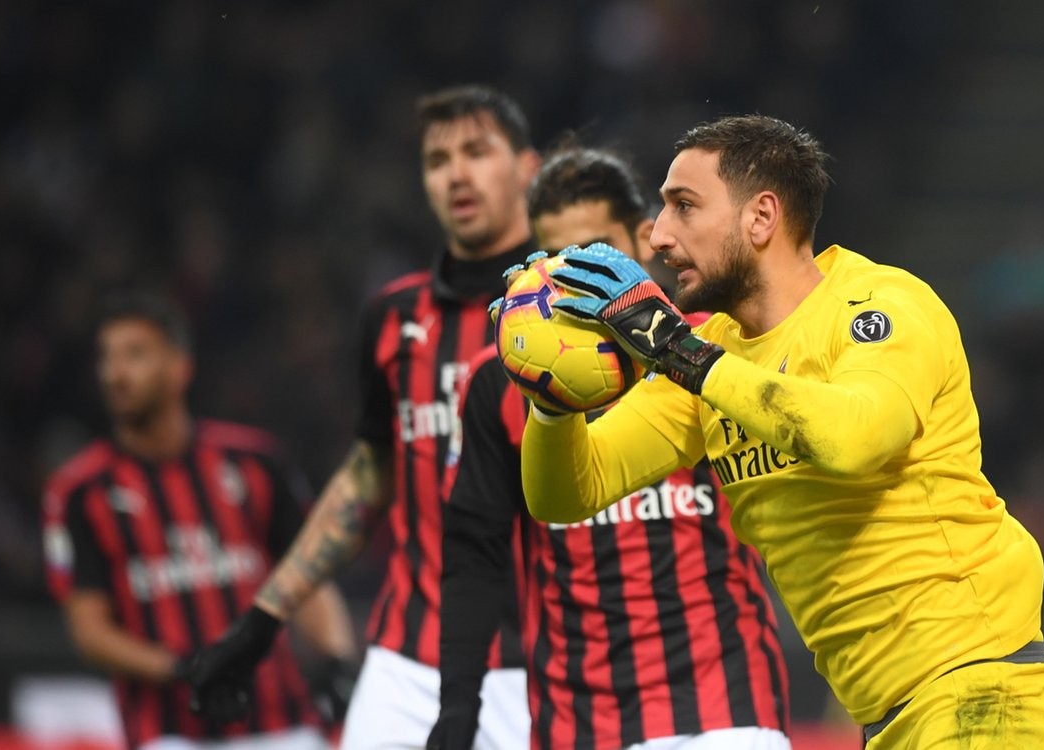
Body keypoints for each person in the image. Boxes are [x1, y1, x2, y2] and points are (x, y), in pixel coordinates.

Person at [507, 116, 1044, 748]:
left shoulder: (881, 305)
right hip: (897, 719)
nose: (658, 235)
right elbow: (567, 494)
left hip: (988, 696)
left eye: (684, 206)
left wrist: (678, 350)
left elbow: (854, 439)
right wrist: (553, 394)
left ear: (761, 217)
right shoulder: (711, 354)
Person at [186, 85, 539, 749]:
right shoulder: (392, 316)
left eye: (476, 152)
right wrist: (262, 621)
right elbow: (369, 473)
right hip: (406, 662)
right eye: (437, 160)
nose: (456, 174)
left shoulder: (570, 313)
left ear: (527, 168)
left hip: (540, 668)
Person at [427, 147, 792, 750]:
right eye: (560, 259)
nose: (578, 281)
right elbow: (475, 552)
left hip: (726, 706)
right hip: (578, 723)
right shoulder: (498, 383)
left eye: (597, 252)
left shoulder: (708, 350)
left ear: (645, 240)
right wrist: (458, 705)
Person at [41, 291, 357, 750]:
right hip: (168, 733)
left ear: (179, 367)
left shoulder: (255, 462)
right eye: (107, 358)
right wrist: (182, 668)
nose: (115, 373)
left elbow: (309, 577)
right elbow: (89, 631)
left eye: (135, 355)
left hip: (282, 722)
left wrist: (336, 659)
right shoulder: (79, 492)